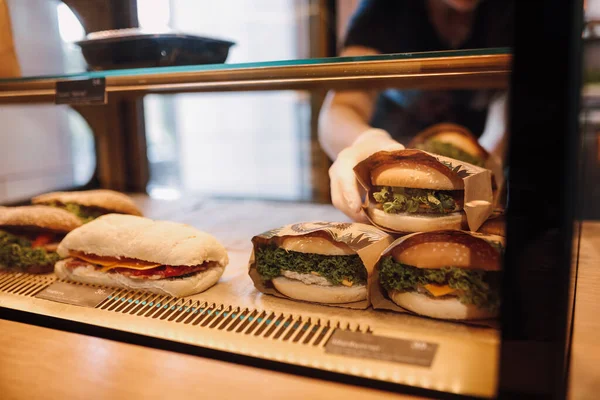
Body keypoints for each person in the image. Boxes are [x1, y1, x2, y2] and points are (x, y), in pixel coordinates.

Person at [319, 0, 513, 221]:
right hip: (395, 164)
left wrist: (493, 155)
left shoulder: (511, 13)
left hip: (478, 173)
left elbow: (508, 111)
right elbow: (341, 108)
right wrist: (365, 140)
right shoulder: (386, 10)